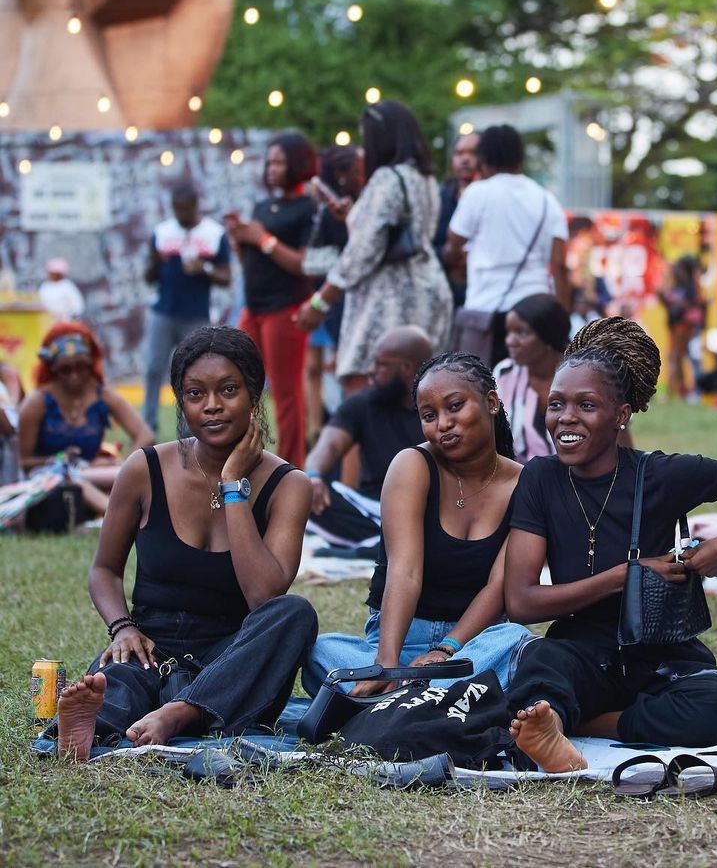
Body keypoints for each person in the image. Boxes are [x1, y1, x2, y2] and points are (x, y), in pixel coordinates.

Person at [502, 317, 717, 773]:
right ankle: (556, 724)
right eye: (556, 404)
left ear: (621, 416)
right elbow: (522, 602)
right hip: (580, 652)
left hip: (661, 655)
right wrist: (624, 575)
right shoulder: (540, 479)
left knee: (716, 701)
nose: (566, 418)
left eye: (586, 405)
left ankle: (583, 726)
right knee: (539, 665)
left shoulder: (659, 474)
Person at [53, 327, 317, 761]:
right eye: (196, 393)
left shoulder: (289, 485)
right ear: (181, 400)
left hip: (230, 657)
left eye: (228, 390)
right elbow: (103, 570)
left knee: (295, 615)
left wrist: (235, 488)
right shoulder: (145, 468)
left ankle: (179, 713)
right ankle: (87, 727)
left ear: (254, 395)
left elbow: (264, 596)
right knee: (120, 679)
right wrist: (123, 628)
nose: (212, 406)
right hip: (150, 646)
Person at [303, 352, 534, 697]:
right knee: (318, 651)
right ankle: (431, 697)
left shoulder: (527, 484)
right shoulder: (413, 464)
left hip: (471, 649)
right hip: (398, 640)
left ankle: (405, 698)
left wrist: (445, 651)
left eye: (455, 406)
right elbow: (404, 570)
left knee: (517, 642)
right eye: (429, 415)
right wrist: (386, 662)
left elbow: (499, 588)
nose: (442, 423)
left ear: (492, 402)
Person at [296, 101, 453, 394]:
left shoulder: (386, 179)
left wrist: (320, 302)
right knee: (422, 394)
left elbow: (362, 252)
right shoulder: (426, 177)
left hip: (390, 297)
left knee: (368, 389)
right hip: (428, 289)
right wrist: (354, 216)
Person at [225, 130, 319, 466]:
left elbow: (304, 264)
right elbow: (253, 262)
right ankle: (239, 455)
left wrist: (262, 238)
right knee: (235, 377)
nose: (272, 168)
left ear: (297, 164)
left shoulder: (308, 208)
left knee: (286, 392)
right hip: (254, 306)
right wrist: (240, 242)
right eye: (270, 162)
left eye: (279, 162)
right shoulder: (263, 205)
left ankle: (292, 467)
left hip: (285, 308)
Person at [443, 124, 571, 366]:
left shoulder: (477, 193)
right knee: (529, 391)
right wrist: (561, 321)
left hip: (485, 311)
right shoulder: (547, 199)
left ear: (483, 158)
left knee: (480, 390)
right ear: (520, 157)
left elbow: (453, 245)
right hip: (534, 314)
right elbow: (559, 265)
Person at [304, 326, 431, 548]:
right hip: (371, 508)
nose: (370, 371)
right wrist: (314, 476)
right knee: (303, 497)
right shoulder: (362, 403)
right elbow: (330, 445)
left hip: (426, 512)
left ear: (407, 368)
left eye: (381, 364)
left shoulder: (436, 408)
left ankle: (383, 545)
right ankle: (385, 544)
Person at [19, 323, 155, 516]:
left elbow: (146, 435)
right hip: (49, 479)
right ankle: (119, 519)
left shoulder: (103, 395)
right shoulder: (37, 402)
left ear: (91, 365)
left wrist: (125, 465)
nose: (74, 375)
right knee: (69, 478)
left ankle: (117, 513)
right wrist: (57, 460)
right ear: (53, 370)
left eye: (80, 367)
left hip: (93, 472)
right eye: (65, 369)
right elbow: (23, 462)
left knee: (139, 474)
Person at [142, 181, 232, 432]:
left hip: (196, 316)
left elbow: (226, 277)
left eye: (184, 209)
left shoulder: (213, 234)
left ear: (195, 206)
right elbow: (149, 277)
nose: (180, 214)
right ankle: (147, 427)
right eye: (176, 209)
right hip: (163, 312)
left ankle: (189, 430)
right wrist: (156, 262)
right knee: (153, 368)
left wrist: (204, 269)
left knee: (192, 374)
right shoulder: (162, 232)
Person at [304, 145, 364, 445]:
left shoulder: (361, 206)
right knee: (318, 367)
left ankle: (341, 433)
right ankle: (318, 431)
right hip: (330, 298)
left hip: (342, 300)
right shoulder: (327, 211)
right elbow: (315, 260)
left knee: (344, 369)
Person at [493, 294, 572, 464]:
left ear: (548, 336)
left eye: (521, 332)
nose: (510, 341)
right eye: (509, 332)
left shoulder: (582, 376)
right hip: (521, 481)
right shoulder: (505, 373)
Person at [434, 130, 480, 308]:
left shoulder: (494, 196)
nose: (465, 159)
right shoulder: (440, 199)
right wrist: (448, 254)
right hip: (448, 293)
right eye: (459, 153)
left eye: (472, 153)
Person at [660, 255, 706, 401]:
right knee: (677, 359)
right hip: (676, 326)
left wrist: (675, 301)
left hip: (685, 327)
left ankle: (676, 392)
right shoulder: (678, 286)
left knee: (680, 358)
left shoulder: (691, 286)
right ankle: (681, 391)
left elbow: (693, 305)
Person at [37, 258, 85, 322]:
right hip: (46, 321)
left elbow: (77, 306)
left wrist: (71, 317)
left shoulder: (67, 286)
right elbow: (40, 302)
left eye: (55, 273)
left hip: (65, 322)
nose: (52, 275)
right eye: (51, 273)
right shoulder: (45, 286)